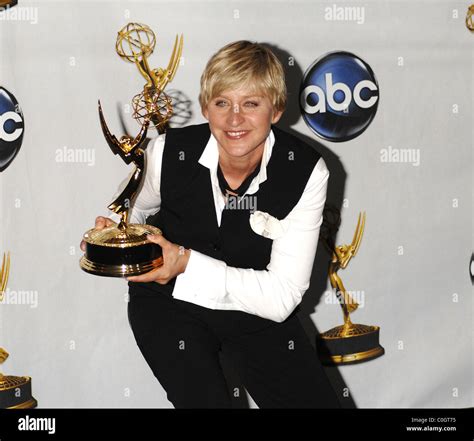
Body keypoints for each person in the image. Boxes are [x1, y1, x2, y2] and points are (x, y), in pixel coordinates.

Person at [81, 40, 341, 409]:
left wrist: (186, 261)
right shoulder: (166, 152)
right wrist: (120, 236)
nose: (235, 119)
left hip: (254, 306)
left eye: (251, 104)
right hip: (169, 305)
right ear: (206, 108)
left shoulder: (305, 170)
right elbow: (133, 210)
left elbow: (282, 297)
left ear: (277, 110)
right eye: (222, 104)